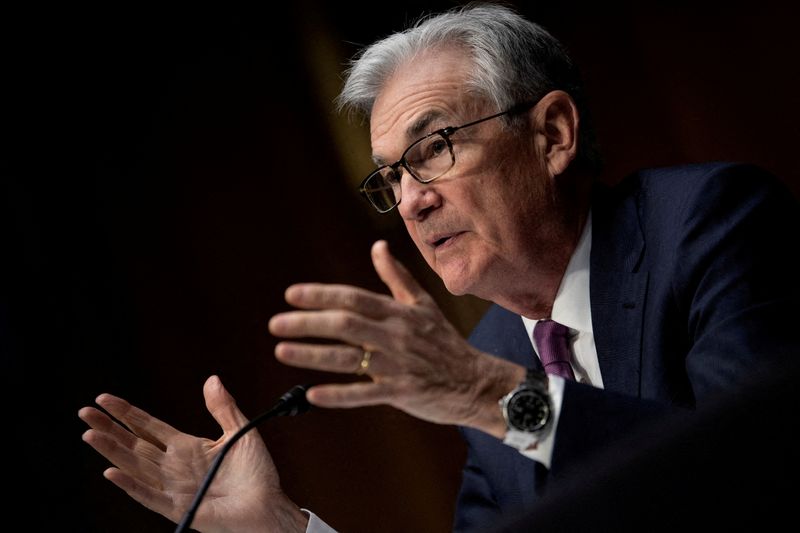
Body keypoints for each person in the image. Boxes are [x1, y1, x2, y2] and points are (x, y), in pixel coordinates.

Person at [78, 3, 800, 532]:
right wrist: (282, 527)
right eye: (390, 178)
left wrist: (489, 394)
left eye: (435, 148)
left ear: (552, 133)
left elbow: (749, 475)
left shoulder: (709, 223)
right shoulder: (496, 349)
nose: (413, 202)